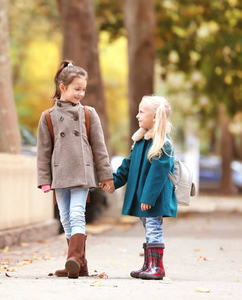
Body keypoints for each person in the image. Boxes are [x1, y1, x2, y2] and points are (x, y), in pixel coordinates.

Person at [37, 60, 114, 279]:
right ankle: (80, 264)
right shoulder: (47, 117)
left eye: (83, 90)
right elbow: (43, 151)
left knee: (77, 214)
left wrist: (105, 176)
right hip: (59, 174)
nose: (80, 94)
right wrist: (44, 179)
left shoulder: (89, 114)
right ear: (62, 88)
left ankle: (72, 258)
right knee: (65, 218)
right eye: (76, 89)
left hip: (82, 172)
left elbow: (100, 148)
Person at [105, 95, 177, 280]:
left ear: (154, 117)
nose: (137, 116)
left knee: (153, 227)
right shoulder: (140, 141)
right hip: (144, 196)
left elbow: (158, 174)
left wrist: (148, 198)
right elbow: (128, 165)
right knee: (148, 226)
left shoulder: (163, 143)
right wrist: (115, 182)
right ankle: (148, 264)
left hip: (153, 197)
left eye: (141, 112)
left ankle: (157, 267)